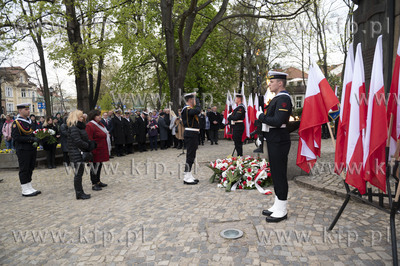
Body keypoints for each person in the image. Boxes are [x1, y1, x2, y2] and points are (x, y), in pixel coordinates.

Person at [256, 71, 293, 223]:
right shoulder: (277, 98)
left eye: (272, 82)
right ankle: (278, 205)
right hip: (274, 139)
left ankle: (282, 210)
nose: (269, 84)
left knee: (280, 175)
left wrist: (261, 116)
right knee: (276, 174)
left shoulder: (284, 98)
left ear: (280, 83)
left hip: (279, 140)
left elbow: (277, 121)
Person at [11, 103, 41, 197]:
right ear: (20, 111)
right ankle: (24, 188)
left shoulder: (29, 121)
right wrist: (31, 139)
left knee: (30, 167)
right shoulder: (17, 123)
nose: (28, 111)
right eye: (26, 109)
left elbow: (32, 133)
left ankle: (29, 186)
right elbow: (16, 137)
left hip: (31, 148)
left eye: (28, 109)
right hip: (23, 149)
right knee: (24, 168)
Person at [67, 110, 97, 200]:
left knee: (79, 173)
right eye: (80, 116)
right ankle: (79, 193)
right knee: (78, 174)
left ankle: (80, 192)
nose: (82, 118)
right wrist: (88, 146)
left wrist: (90, 143)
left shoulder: (79, 127)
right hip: (76, 153)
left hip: (78, 152)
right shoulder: (74, 128)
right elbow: (77, 141)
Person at [86, 110, 110, 191]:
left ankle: (98, 181)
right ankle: (94, 183)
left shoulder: (100, 124)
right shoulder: (90, 125)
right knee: (94, 167)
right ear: (93, 117)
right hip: (95, 150)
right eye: (98, 115)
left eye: (100, 115)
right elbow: (89, 138)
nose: (100, 116)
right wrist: (92, 150)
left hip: (101, 149)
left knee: (99, 166)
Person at [181, 93, 201, 185]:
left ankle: (189, 174)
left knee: (192, 155)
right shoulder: (186, 109)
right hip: (190, 133)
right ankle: (186, 176)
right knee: (190, 155)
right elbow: (197, 110)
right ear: (190, 100)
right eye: (194, 100)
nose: (195, 102)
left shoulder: (189, 109)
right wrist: (198, 103)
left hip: (193, 133)